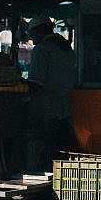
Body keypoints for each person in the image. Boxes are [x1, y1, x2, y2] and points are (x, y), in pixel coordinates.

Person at [26, 15, 76, 172]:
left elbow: (35, 82)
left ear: (40, 31)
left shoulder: (41, 49)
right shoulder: (67, 48)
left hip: (47, 108)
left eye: (32, 33)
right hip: (66, 108)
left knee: (44, 147)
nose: (31, 37)